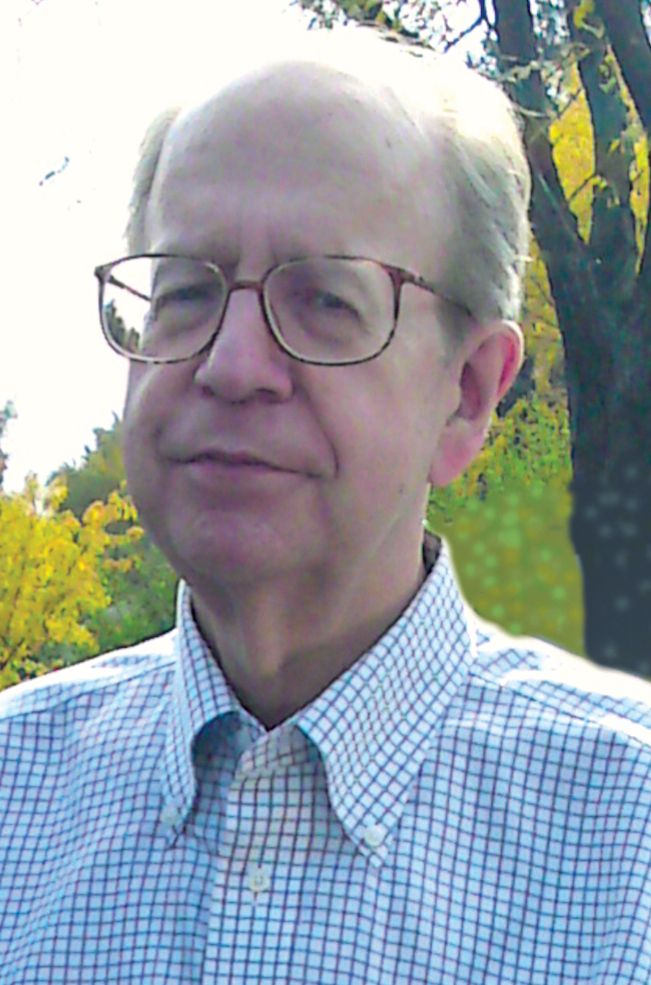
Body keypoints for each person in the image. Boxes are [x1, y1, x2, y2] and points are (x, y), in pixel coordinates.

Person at [1, 32, 650, 985]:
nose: (230, 366)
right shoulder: (14, 791)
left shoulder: (628, 842)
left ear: (468, 394)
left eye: (325, 301)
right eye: (186, 292)